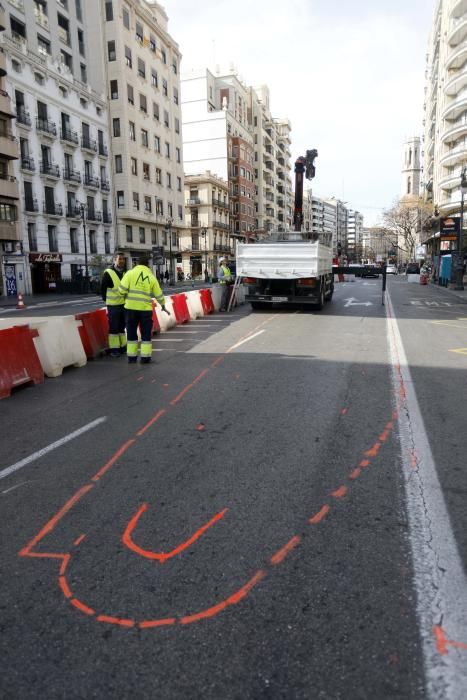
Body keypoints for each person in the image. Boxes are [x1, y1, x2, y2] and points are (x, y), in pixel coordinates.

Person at [118, 254, 166, 364]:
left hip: (130, 309)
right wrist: (163, 305)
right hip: (145, 310)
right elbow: (159, 294)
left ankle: (132, 357)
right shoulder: (151, 277)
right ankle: (145, 357)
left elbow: (121, 290)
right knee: (145, 334)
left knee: (131, 333)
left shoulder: (130, 274)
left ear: (137, 263)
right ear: (147, 265)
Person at [101, 252, 127, 357]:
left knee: (122, 327)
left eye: (123, 259)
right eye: (119, 259)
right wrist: (106, 301)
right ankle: (114, 349)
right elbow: (102, 288)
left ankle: (122, 347)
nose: (122, 261)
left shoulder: (125, 273)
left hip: (123, 305)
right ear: (114, 260)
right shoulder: (108, 272)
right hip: (113, 306)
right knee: (114, 328)